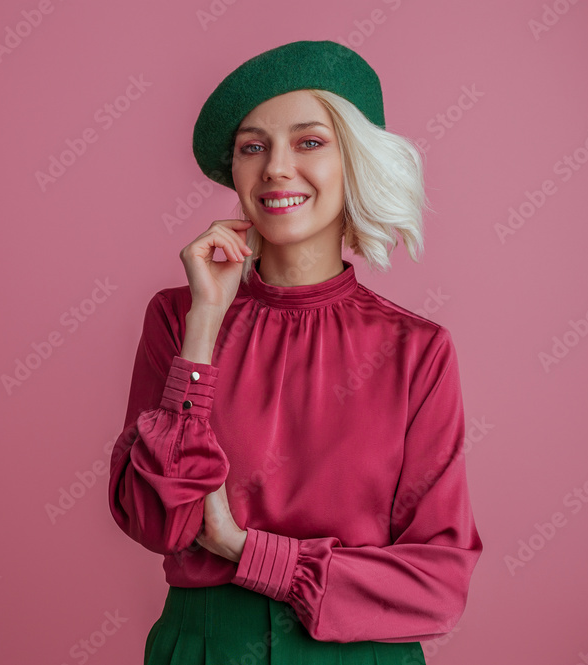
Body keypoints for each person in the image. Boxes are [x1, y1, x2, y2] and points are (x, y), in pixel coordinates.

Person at [107, 40, 483, 665]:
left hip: (359, 653)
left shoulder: (417, 350)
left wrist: (241, 547)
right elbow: (156, 521)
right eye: (253, 147)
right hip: (206, 649)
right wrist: (205, 325)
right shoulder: (177, 316)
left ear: (355, 163)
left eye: (309, 142)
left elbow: (438, 586)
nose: (276, 168)